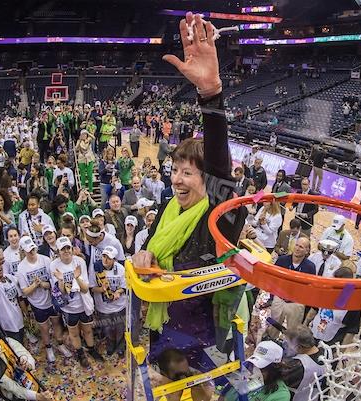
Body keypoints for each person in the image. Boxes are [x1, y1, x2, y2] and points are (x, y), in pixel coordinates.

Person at [134, 13, 247, 341]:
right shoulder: (170, 206)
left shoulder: (224, 212)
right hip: (166, 323)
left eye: (187, 173)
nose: (177, 180)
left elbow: (219, 168)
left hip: (205, 333)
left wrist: (211, 94)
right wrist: (144, 254)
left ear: (207, 178)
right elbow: (150, 245)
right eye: (174, 171)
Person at [49, 237, 102, 367]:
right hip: (69, 308)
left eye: (68, 248)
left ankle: (91, 348)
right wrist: (61, 280)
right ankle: (80, 353)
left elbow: (84, 289)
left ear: (72, 249)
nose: (66, 251)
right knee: (73, 332)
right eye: (63, 249)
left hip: (83, 305)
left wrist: (77, 277)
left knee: (88, 330)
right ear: (58, 251)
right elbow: (60, 293)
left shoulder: (79, 262)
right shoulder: (54, 265)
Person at [16, 236, 69, 363]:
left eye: (33, 249)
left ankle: (60, 344)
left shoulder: (45, 260)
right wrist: (35, 285)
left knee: (56, 323)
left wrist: (43, 284)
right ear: (23, 251)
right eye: (29, 250)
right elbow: (24, 291)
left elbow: (53, 282)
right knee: (44, 328)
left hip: (51, 300)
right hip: (37, 304)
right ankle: (49, 347)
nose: (32, 252)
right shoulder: (21, 268)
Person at [0, 321, 55, 401]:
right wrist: (37, 397)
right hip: (17, 396)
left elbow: (24, 354)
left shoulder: (7, 341)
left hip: (31, 383)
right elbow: (12, 387)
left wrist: (26, 362)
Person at [267, 238, 315, 339]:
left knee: (293, 331)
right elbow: (273, 279)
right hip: (280, 298)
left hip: (296, 303)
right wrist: (272, 297)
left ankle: (289, 349)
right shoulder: (282, 260)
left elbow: (310, 288)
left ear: (307, 251)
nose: (297, 248)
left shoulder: (310, 267)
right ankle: (270, 341)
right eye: (296, 245)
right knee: (273, 326)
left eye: (301, 247)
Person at [305, 268, 361, 345]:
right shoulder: (326, 292)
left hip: (332, 342)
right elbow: (314, 310)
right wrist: (304, 325)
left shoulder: (353, 303)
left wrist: (341, 352)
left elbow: (351, 331)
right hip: (313, 335)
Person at [220, 341, 290, 401]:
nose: (254, 371)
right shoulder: (245, 373)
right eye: (253, 365)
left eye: (261, 368)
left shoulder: (281, 395)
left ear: (274, 369)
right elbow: (224, 395)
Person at [0, 253, 25, 343]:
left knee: (23, 344)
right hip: (8, 324)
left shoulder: (9, 277)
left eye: (0, 265)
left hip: (19, 319)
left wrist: (26, 313)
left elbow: (19, 297)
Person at [281, 325, 325, 401]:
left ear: (299, 347)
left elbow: (278, 380)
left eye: (288, 343)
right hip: (316, 396)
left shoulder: (298, 365)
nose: (286, 346)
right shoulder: (326, 351)